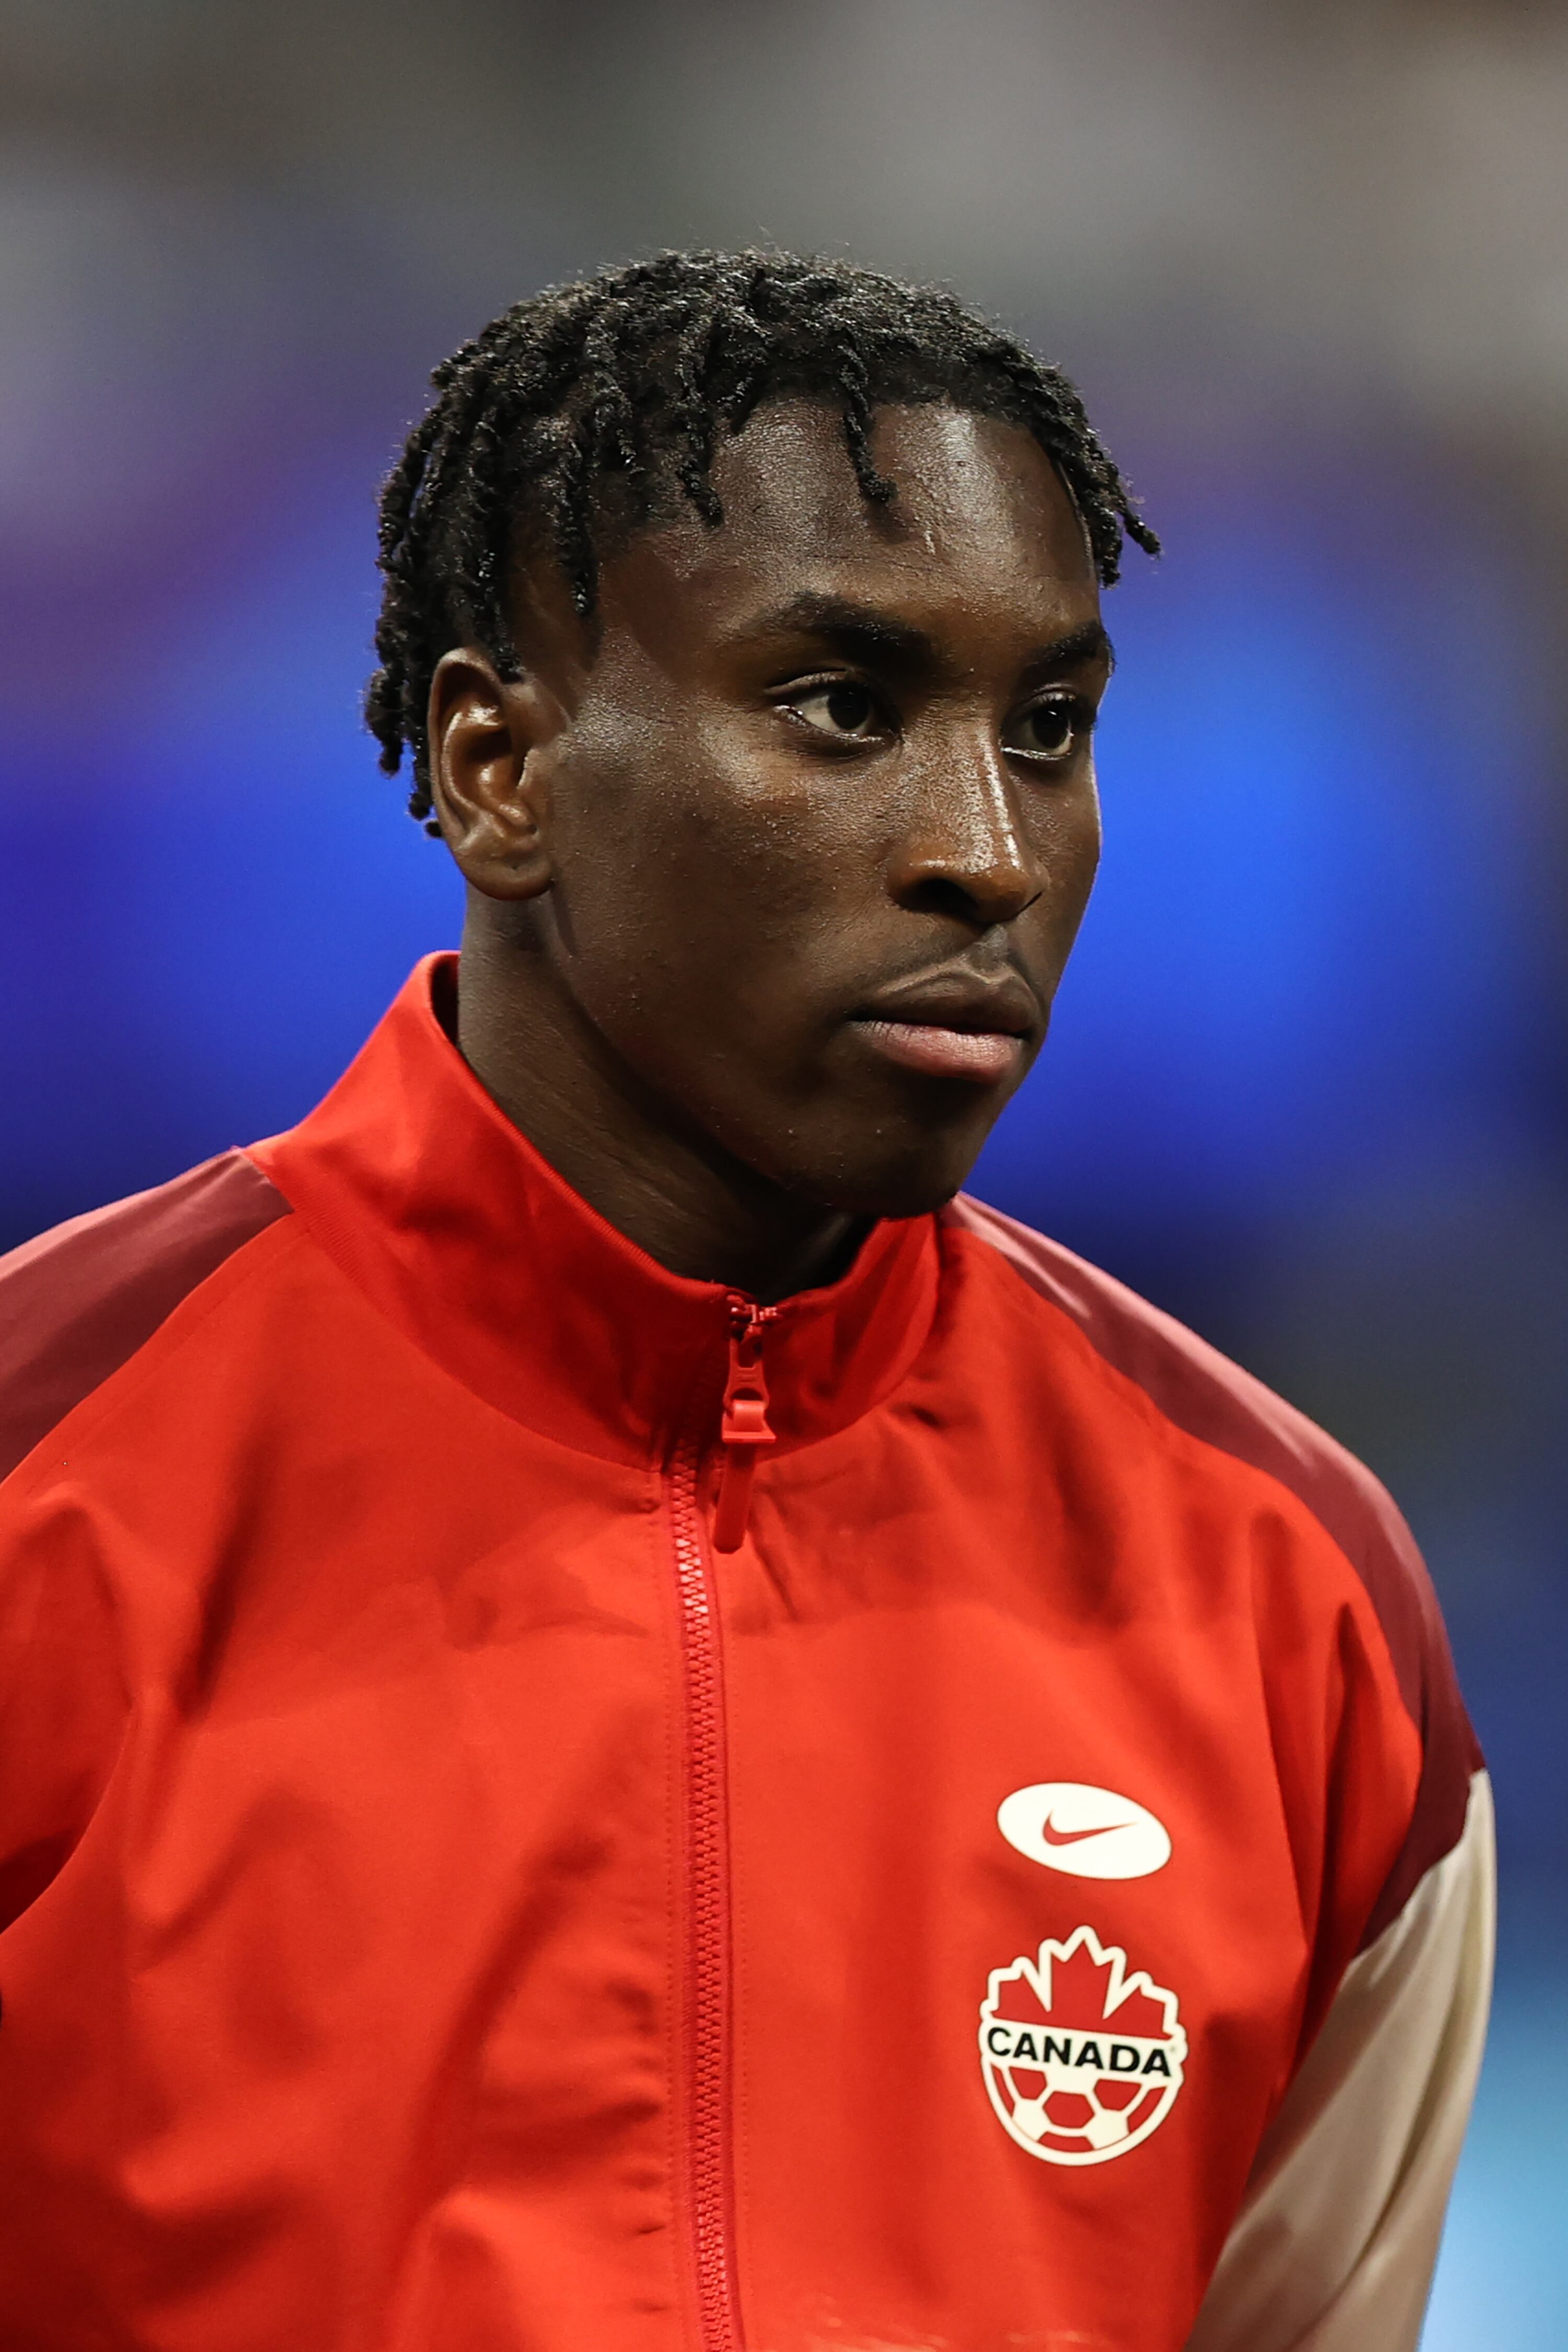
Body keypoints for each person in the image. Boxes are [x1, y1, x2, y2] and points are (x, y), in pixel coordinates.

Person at [0, 251, 1490, 2352]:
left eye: (1048, 729)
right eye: (842, 710)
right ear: (496, 770)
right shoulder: (41, 1486)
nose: (987, 848)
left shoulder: (1291, 1595)